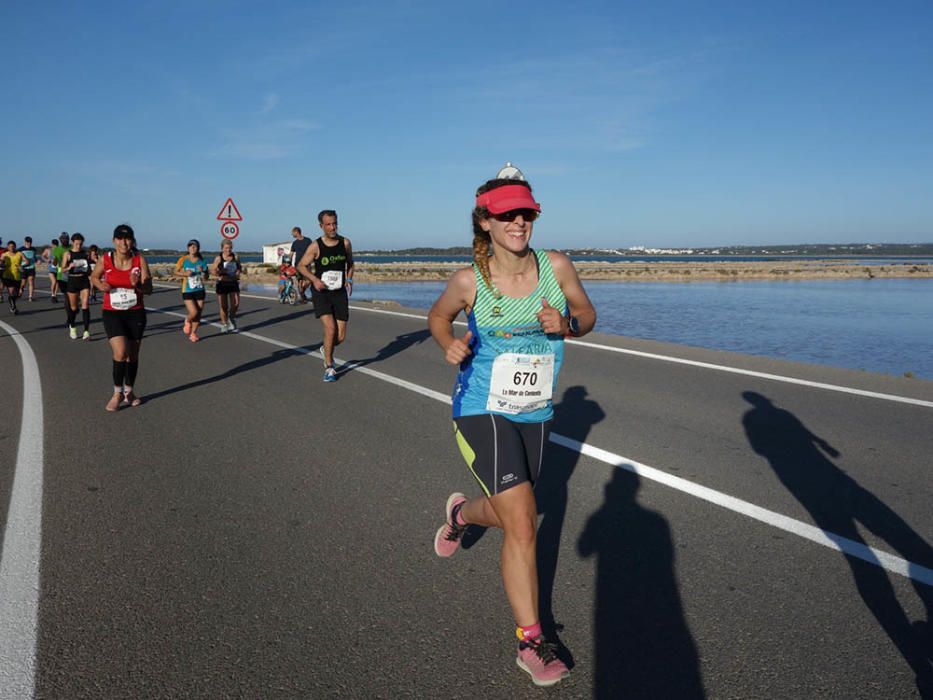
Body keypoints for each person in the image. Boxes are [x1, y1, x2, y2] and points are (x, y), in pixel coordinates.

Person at [427, 166, 596, 688]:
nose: (519, 222)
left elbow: (587, 314)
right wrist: (448, 344)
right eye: (507, 215)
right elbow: (437, 318)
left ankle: (461, 513)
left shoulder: (556, 265)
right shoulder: (468, 280)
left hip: (535, 410)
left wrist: (565, 325)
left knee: (511, 510)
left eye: (526, 213)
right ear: (485, 221)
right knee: (523, 521)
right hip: (481, 405)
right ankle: (531, 641)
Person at [90, 224, 152, 411]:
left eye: (127, 239)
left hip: (135, 312)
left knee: (133, 355)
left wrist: (138, 285)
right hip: (112, 312)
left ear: (132, 241)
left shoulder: (139, 260)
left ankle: (130, 391)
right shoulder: (106, 259)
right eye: (120, 238)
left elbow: (149, 289)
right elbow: (93, 277)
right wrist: (101, 285)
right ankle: (117, 393)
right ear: (114, 240)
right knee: (120, 352)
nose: (124, 242)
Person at [297, 210, 354, 382]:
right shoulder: (315, 246)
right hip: (321, 293)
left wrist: (349, 279)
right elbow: (301, 266)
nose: (332, 227)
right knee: (330, 329)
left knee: (341, 337)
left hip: (339, 293)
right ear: (321, 226)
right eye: (328, 224)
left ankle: (325, 349)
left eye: (335, 223)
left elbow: (350, 263)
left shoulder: (345, 243)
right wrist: (314, 280)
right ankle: (329, 367)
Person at [175, 239, 210, 342]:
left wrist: (202, 272)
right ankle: (187, 320)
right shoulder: (183, 259)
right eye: (191, 246)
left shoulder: (202, 261)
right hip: (187, 290)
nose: (193, 248)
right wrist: (185, 274)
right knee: (193, 312)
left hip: (199, 289)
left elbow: (206, 277)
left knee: (198, 313)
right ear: (188, 248)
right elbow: (175, 271)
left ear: (198, 248)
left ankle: (193, 333)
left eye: (195, 246)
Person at [61, 233, 92, 339]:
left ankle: (86, 332)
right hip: (72, 280)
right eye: (77, 244)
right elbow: (62, 269)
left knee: (85, 305)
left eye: (80, 244)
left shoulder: (85, 254)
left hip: (83, 280)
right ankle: (72, 326)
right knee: (74, 308)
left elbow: (89, 267)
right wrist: (69, 267)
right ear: (73, 243)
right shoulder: (68, 254)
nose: (79, 246)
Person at [210, 239, 241, 333]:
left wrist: (237, 273)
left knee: (235, 303)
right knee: (224, 306)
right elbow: (212, 270)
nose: (228, 250)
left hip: (233, 282)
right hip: (222, 284)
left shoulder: (236, 256)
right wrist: (220, 272)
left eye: (230, 248)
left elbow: (239, 267)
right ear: (222, 248)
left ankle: (231, 318)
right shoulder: (218, 258)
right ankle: (224, 324)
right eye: (226, 248)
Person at [289, 226, 312, 302]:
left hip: (307, 263)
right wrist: (288, 263)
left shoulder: (308, 240)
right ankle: (302, 297)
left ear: (297, 232)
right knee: (300, 281)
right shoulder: (295, 243)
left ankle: (302, 293)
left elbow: (313, 250)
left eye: (293, 232)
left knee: (309, 280)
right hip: (298, 265)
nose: (292, 234)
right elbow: (291, 254)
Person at [1, 240, 25, 314]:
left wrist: (21, 266)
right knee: (11, 292)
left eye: (13, 246)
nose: (11, 248)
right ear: (7, 247)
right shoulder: (5, 255)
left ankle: (12, 302)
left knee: (16, 294)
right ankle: (13, 307)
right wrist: (2, 264)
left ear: (15, 247)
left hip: (17, 276)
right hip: (7, 276)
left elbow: (26, 261)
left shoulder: (19, 253)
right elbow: (1, 261)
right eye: (10, 246)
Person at [18, 237, 38, 301]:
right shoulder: (20, 249)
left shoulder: (33, 249)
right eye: (28, 242)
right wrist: (19, 266)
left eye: (30, 242)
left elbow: (35, 258)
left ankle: (30, 297)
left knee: (31, 281)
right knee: (23, 284)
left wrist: (37, 261)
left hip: (31, 268)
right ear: (25, 242)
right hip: (24, 268)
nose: (29, 243)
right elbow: (18, 259)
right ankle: (20, 292)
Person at [52, 233, 70, 302]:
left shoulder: (72, 247)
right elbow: (55, 262)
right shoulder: (57, 249)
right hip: (60, 269)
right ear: (60, 240)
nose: (64, 240)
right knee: (63, 288)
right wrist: (54, 261)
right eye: (62, 238)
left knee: (71, 289)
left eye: (66, 238)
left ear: (68, 239)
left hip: (71, 270)